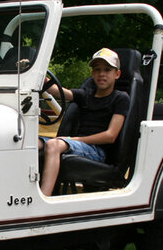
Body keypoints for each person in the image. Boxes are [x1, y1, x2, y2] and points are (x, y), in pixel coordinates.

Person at [38, 48, 130, 196]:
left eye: (107, 70)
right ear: (92, 73)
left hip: (98, 151)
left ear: (117, 74)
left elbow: (110, 135)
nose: (101, 74)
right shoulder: (85, 95)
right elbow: (57, 91)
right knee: (30, 142)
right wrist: (35, 74)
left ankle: (43, 198)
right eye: (97, 69)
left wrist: (74, 139)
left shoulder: (120, 98)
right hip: (78, 145)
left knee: (54, 144)